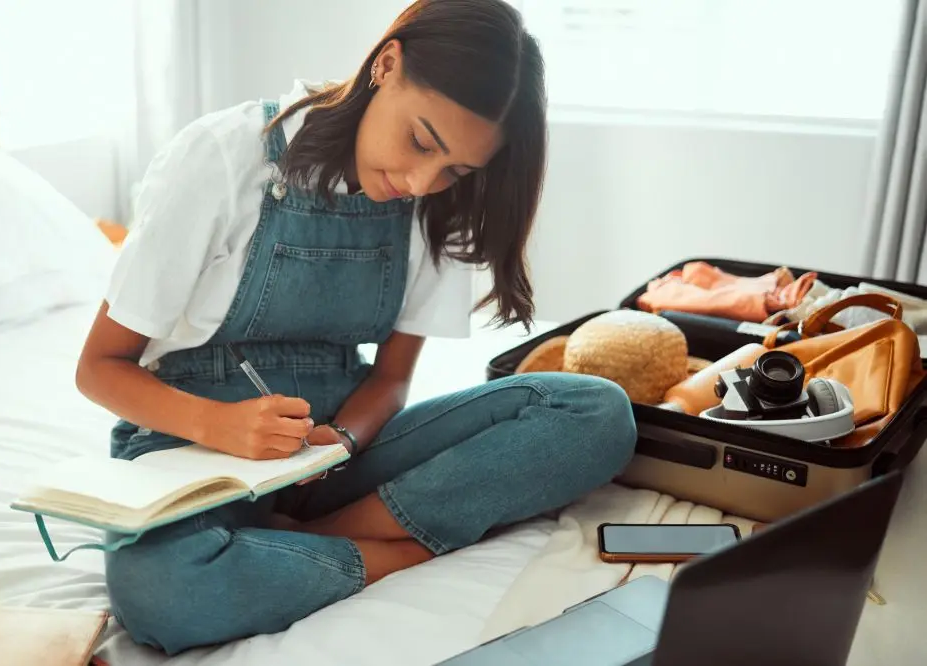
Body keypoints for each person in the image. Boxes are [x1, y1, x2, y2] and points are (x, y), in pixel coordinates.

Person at [75, 0, 636, 655]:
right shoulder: (225, 157)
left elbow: (393, 379)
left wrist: (341, 440)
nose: (422, 181)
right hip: (193, 451)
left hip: (334, 457)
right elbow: (99, 368)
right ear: (386, 64)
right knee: (165, 595)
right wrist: (219, 426)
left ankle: (319, 537)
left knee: (595, 413)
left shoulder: (432, 208)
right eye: (422, 141)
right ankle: (394, 553)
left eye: (455, 168)